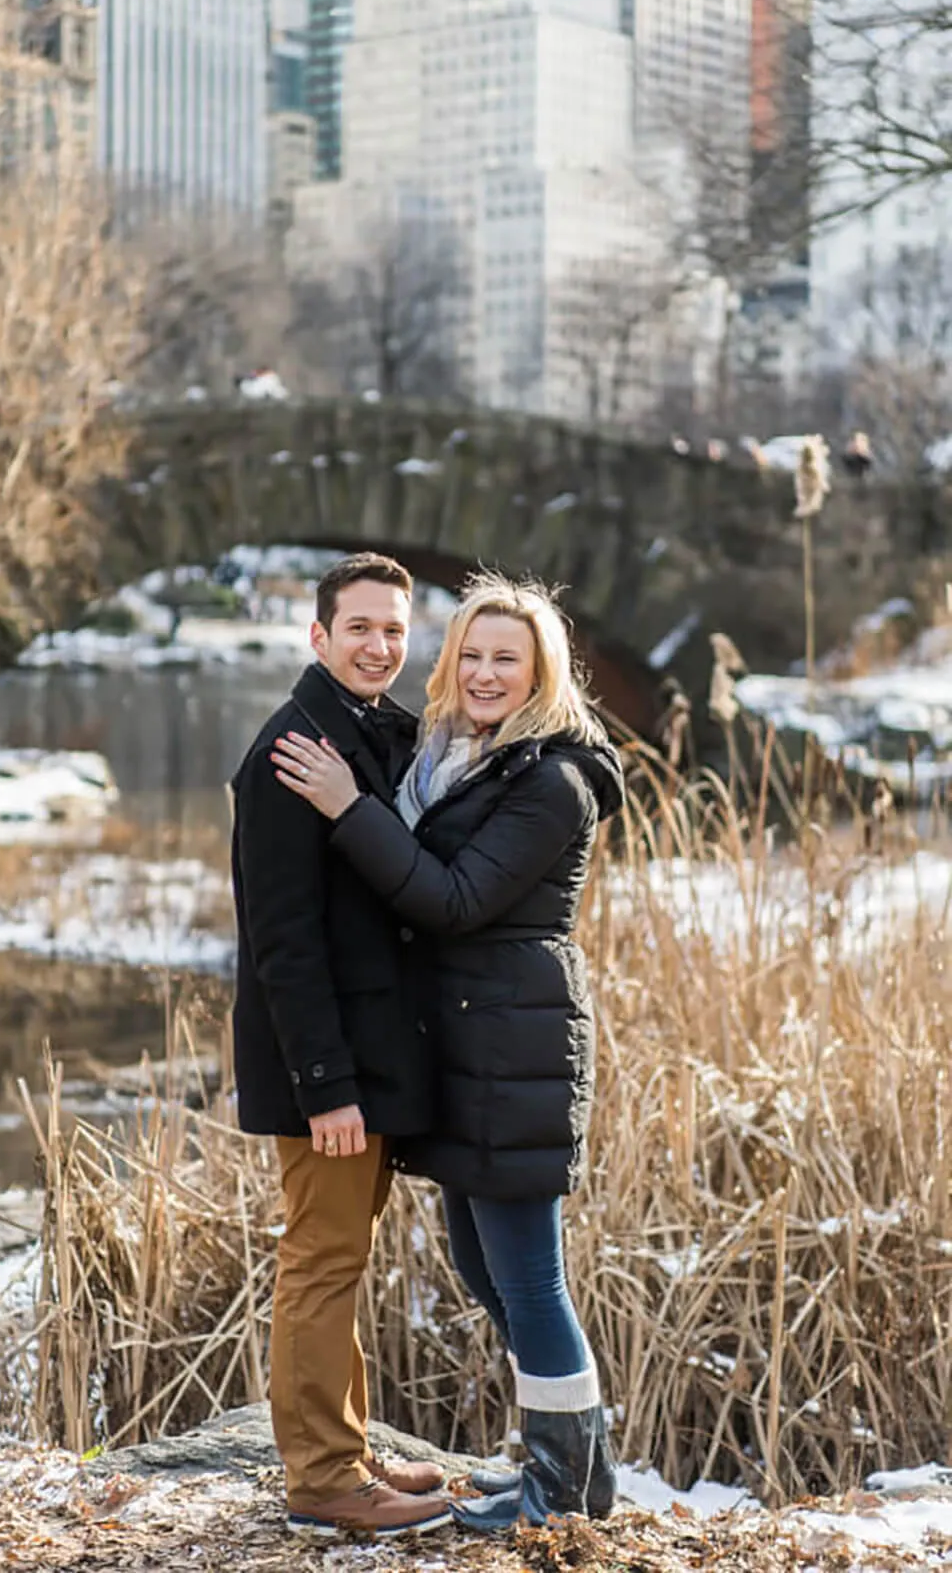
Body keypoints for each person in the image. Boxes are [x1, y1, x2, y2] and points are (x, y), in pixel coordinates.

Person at [272, 572, 625, 1533]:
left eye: (506, 658)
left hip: (515, 1054)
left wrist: (351, 808)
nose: (482, 671)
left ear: (541, 672)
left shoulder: (551, 781)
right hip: (464, 1053)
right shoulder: (458, 759)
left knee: (531, 1280)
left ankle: (561, 1493)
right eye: (469, 653)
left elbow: (454, 899)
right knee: (483, 1268)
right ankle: (575, 1471)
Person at [231, 552, 452, 1540]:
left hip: (364, 1060)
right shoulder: (290, 751)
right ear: (317, 636)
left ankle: (347, 1449)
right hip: (323, 1071)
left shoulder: (374, 733)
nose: (379, 644)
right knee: (319, 1261)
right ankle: (323, 1474)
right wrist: (325, 1085)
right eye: (359, 626)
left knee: (341, 1256)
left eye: (394, 629)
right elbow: (282, 939)